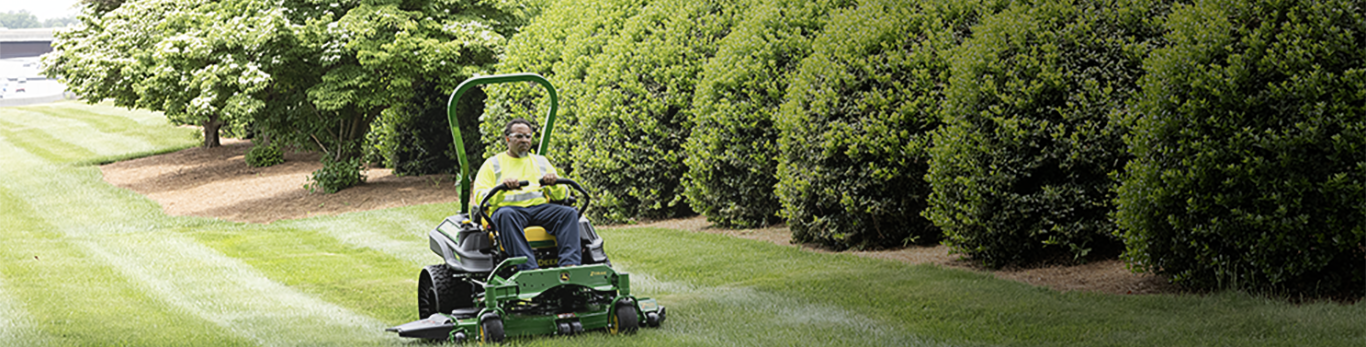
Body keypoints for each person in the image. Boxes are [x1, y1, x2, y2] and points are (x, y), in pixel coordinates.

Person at [471, 118, 581, 270]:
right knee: (507, 215)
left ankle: (570, 264)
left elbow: (562, 195)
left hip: (539, 210)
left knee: (568, 213)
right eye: (519, 136)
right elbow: (481, 196)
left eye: (528, 136)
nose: (524, 140)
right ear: (508, 138)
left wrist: (554, 184)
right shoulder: (493, 164)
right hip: (508, 211)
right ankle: (528, 269)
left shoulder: (541, 162)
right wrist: (503, 189)